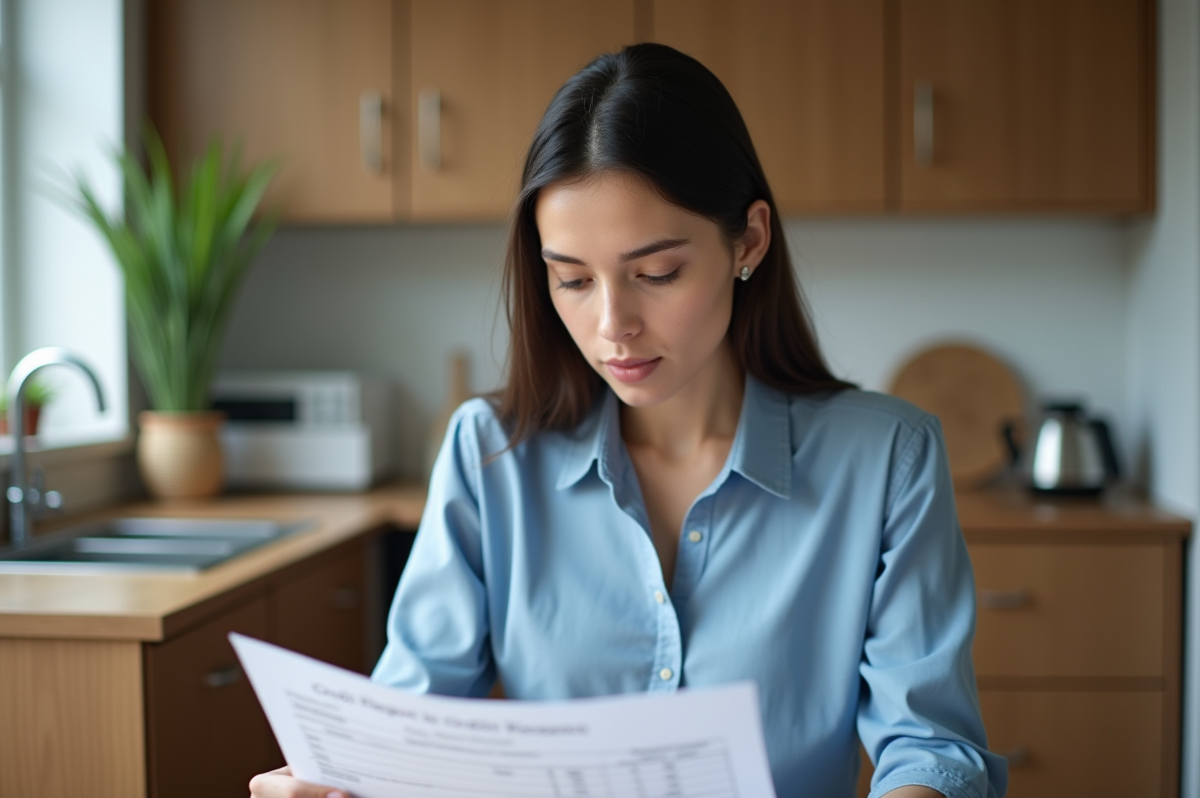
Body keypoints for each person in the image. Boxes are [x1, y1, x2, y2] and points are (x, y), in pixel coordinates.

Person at [250, 43, 1007, 798]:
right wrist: (346, 780)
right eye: (572, 279)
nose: (613, 325)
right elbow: (411, 721)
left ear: (749, 240)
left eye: (656, 274)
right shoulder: (489, 454)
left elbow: (930, 745)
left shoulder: (886, 459)